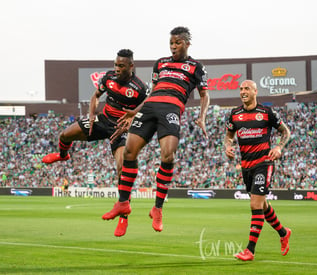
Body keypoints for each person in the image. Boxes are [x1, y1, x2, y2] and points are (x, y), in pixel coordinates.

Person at [102, 26, 210, 234]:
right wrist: (134, 112)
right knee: (129, 152)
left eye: (178, 42)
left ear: (187, 43)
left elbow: (205, 95)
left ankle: (157, 208)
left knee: (168, 155)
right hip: (150, 106)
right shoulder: (160, 63)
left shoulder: (196, 67)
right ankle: (123, 203)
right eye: (171, 42)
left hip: (171, 108)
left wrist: (202, 117)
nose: (173, 46)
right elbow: (151, 93)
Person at [42, 49, 149, 236]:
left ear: (131, 66)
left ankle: (124, 216)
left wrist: (133, 118)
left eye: (121, 66)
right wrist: (91, 115)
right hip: (103, 120)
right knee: (65, 135)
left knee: (122, 168)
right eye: (115, 64)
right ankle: (62, 155)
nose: (116, 68)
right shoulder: (109, 78)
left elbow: (150, 106)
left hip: (120, 128)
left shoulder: (139, 87)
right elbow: (95, 96)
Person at [224, 80, 291, 261]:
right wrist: (227, 147)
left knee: (255, 205)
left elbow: (286, 132)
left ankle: (250, 250)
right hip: (246, 166)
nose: (243, 92)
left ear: (255, 91)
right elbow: (229, 136)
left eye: (246, 89)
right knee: (262, 205)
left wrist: (279, 148)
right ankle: (284, 233)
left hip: (264, 163)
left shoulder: (266, 112)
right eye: (241, 89)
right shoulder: (234, 114)